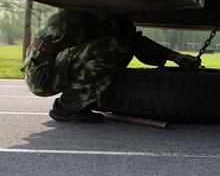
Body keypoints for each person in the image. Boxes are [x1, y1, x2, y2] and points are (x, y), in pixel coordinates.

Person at [23, 9, 201, 123]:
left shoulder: (112, 18)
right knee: (114, 47)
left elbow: (137, 43)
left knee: (119, 45)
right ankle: (67, 107)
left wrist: (176, 57)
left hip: (51, 66)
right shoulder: (86, 15)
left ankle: (80, 100)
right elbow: (125, 43)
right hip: (42, 74)